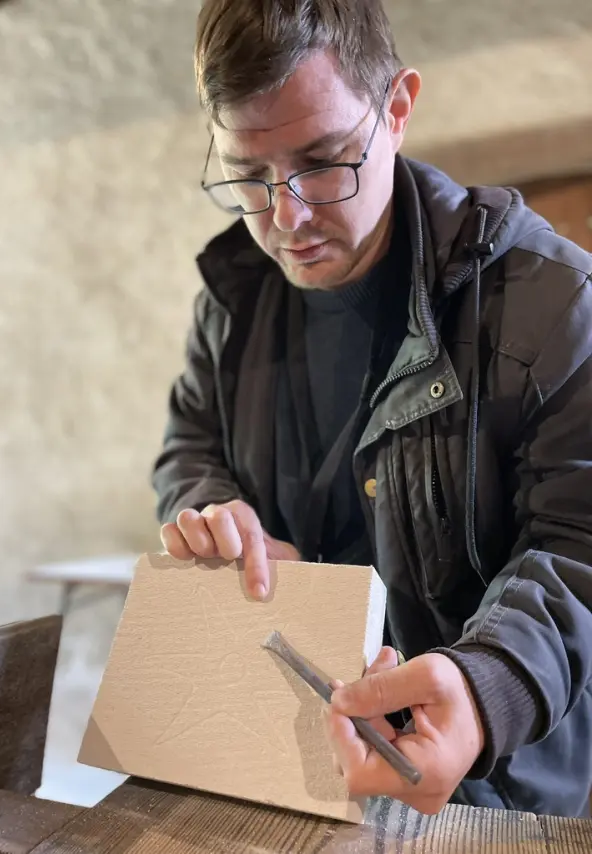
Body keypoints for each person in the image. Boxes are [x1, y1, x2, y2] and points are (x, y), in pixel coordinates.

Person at [152, 0, 592, 819]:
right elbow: (190, 441)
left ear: (396, 108)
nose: (287, 219)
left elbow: (581, 547)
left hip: (487, 792)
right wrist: (209, 507)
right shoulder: (232, 299)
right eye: (248, 175)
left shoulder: (553, 304)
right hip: (280, 757)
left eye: (322, 163)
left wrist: (486, 684)